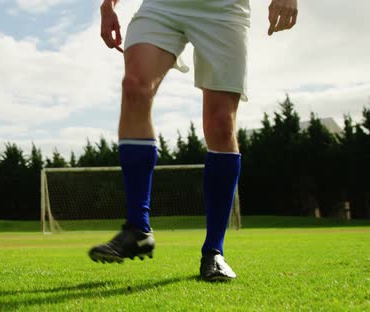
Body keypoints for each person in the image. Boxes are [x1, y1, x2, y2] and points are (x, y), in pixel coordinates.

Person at [88, 0, 298, 281]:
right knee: (135, 86)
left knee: (221, 123)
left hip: (224, 10)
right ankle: (137, 228)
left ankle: (214, 251)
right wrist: (108, 5)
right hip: (162, 7)